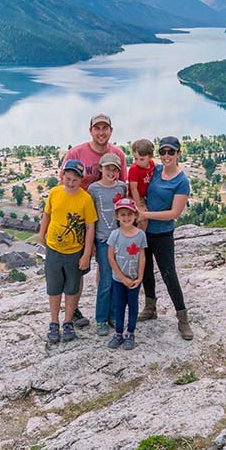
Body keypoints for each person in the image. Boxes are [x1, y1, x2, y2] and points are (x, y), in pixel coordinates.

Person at [61, 113, 127, 328]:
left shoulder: (117, 154)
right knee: (78, 265)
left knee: (106, 266)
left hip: (107, 222)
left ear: (111, 130)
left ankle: (105, 306)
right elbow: (64, 183)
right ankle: (74, 309)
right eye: (97, 128)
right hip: (78, 218)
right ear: (90, 131)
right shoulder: (77, 152)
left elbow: (124, 187)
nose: (101, 132)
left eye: (105, 128)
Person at [137, 136, 193, 340]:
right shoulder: (156, 171)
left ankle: (183, 318)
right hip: (145, 232)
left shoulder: (181, 181)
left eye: (171, 152)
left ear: (178, 153)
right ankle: (150, 307)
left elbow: (174, 213)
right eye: (163, 152)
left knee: (169, 275)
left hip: (163, 234)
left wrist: (146, 215)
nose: (166, 156)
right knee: (146, 271)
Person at [39, 159, 97, 344]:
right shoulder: (55, 193)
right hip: (54, 249)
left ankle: (68, 322)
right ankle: (54, 322)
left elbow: (90, 227)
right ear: (62, 176)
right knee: (54, 288)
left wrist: (87, 254)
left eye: (75, 180)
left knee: (72, 288)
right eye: (68, 178)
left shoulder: (85, 199)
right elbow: (47, 214)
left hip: (75, 252)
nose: (70, 183)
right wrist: (42, 233)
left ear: (81, 180)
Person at [87, 153, 127, 337]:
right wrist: (92, 243)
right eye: (108, 168)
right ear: (101, 168)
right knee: (105, 281)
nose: (111, 172)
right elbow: (91, 218)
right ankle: (101, 319)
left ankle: (113, 315)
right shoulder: (93, 189)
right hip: (103, 240)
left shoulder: (122, 187)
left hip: (119, 240)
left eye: (115, 169)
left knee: (118, 279)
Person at [106, 198, 147, 351]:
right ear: (117, 216)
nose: (126, 217)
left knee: (133, 305)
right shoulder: (115, 235)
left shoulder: (140, 235)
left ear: (135, 216)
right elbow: (110, 257)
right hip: (119, 279)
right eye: (122, 214)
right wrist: (122, 278)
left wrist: (140, 277)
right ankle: (118, 333)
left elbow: (142, 256)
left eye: (130, 214)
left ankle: (130, 333)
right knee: (119, 305)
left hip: (135, 279)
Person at [127, 138, 156, 230]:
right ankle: (139, 237)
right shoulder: (134, 169)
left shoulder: (152, 164)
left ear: (150, 157)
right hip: (134, 197)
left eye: (141, 159)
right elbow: (133, 188)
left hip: (144, 196)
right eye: (136, 159)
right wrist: (138, 205)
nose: (138, 162)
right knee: (142, 218)